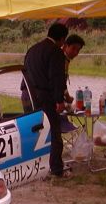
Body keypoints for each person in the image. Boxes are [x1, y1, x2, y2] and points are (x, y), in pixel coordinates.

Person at [22, 22, 71, 178]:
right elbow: (56, 78)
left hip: (27, 94)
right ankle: (56, 168)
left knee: (32, 131)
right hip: (44, 96)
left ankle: (33, 167)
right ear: (62, 39)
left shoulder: (32, 49)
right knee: (54, 132)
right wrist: (60, 101)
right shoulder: (55, 51)